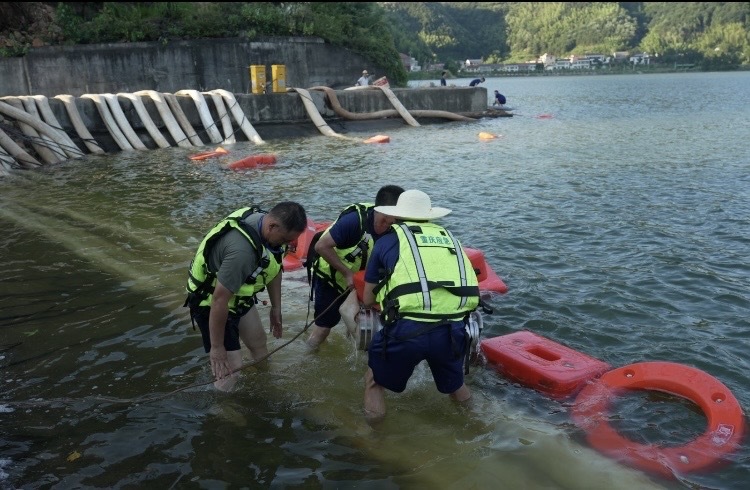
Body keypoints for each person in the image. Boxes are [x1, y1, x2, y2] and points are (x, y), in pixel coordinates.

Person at [361, 189, 482, 424]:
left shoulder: (388, 240)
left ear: (396, 215)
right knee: (456, 386)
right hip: (452, 329)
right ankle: (478, 426)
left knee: (374, 381)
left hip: (408, 330)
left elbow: (367, 299)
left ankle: (372, 441)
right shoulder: (449, 237)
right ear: (429, 216)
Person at [184, 202, 307, 391]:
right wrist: (217, 348)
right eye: (283, 240)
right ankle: (223, 409)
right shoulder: (242, 252)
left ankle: (267, 388)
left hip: (238, 297)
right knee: (231, 366)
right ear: (272, 226)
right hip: (210, 303)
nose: (285, 245)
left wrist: (276, 309)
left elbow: (274, 268)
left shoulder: (271, 232)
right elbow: (219, 300)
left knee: (259, 345)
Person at [306, 185, 405, 348]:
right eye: (387, 219)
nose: (392, 224)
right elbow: (321, 246)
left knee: (360, 324)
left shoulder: (397, 227)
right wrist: (346, 274)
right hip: (332, 278)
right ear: (379, 209)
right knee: (324, 328)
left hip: (363, 283)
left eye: (397, 219)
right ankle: (308, 353)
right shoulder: (354, 221)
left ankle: (351, 353)